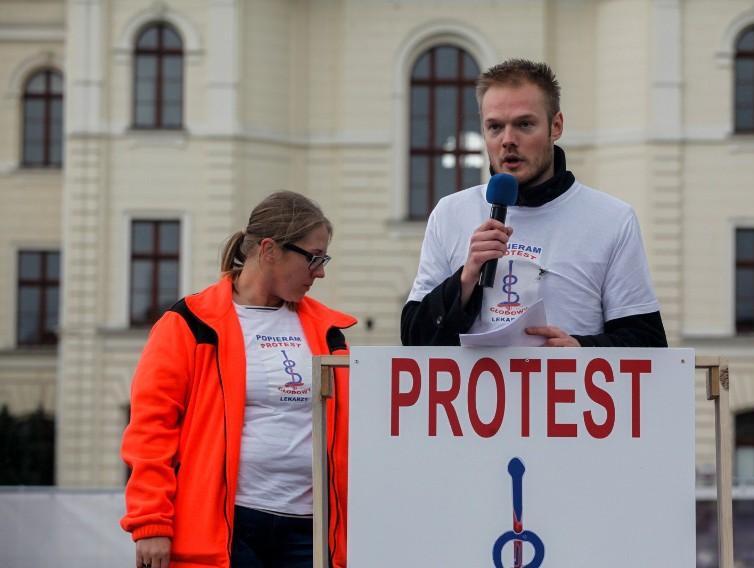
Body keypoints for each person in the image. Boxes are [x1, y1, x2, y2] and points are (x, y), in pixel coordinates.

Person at [121, 191, 356, 568]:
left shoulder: (328, 331)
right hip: (226, 528)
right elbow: (150, 431)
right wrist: (152, 522)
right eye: (314, 258)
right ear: (269, 249)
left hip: (310, 530)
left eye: (323, 259)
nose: (320, 272)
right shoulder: (189, 324)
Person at [401, 58, 666, 348]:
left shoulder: (612, 219)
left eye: (524, 124)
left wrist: (584, 350)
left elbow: (648, 345)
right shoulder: (449, 214)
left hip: (568, 392)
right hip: (474, 394)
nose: (508, 140)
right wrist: (466, 277)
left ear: (556, 126)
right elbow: (415, 339)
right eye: (495, 127)